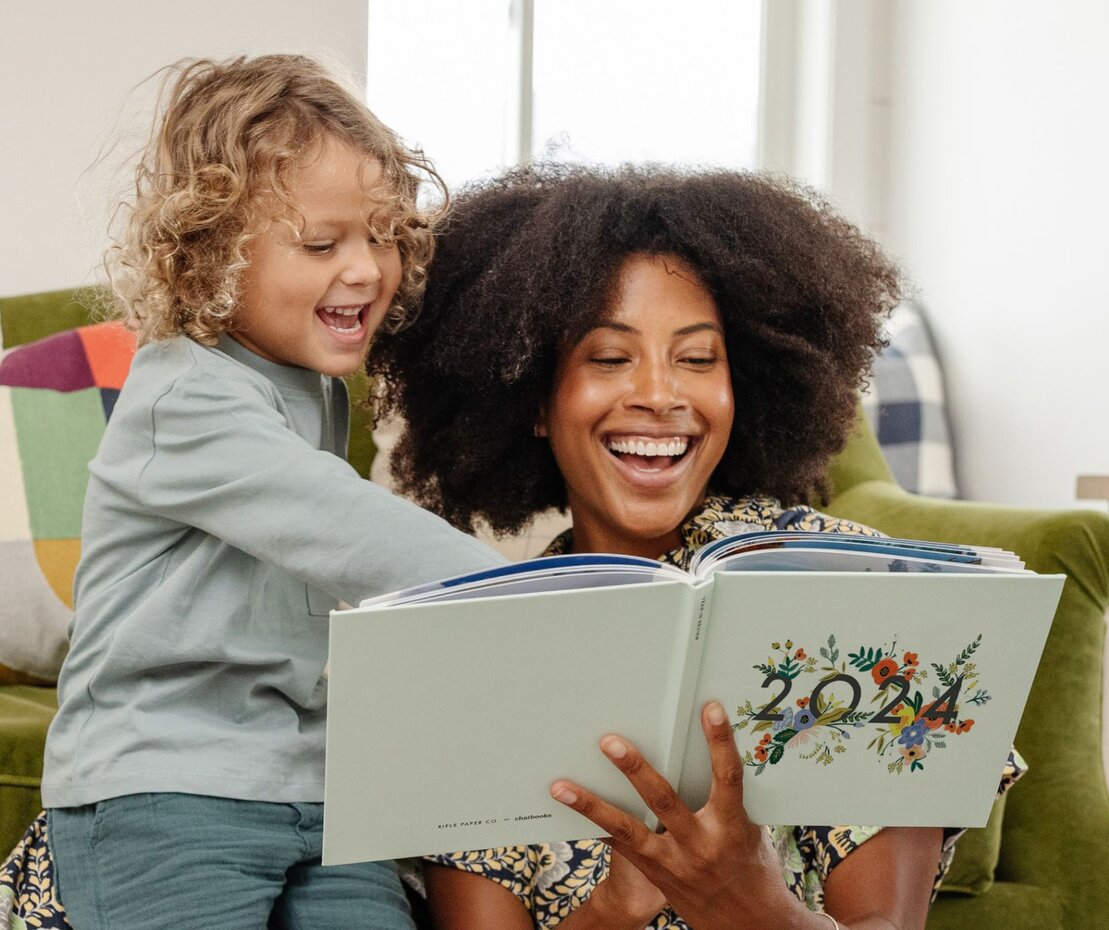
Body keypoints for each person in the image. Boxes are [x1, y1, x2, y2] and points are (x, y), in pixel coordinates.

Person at [369, 164, 1025, 930]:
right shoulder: (472, 651)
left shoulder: (856, 596)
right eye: (609, 357)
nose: (659, 393)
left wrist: (749, 903)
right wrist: (613, 908)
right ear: (535, 402)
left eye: (697, 358)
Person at [0, 55, 502, 930]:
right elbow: (348, 530)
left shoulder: (311, 385)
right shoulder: (184, 394)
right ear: (207, 255)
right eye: (321, 243)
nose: (364, 269)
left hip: (310, 784)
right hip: (162, 785)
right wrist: (536, 596)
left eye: (381, 235)